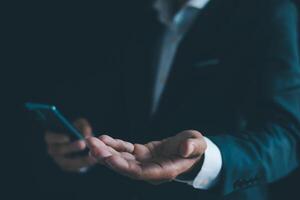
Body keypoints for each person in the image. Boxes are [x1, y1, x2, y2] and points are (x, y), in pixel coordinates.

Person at [45, 0, 300, 199]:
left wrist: (205, 161)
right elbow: (126, 111)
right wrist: (85, 146)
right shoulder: (135, 15)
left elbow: (288, 136)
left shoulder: (268, 12)